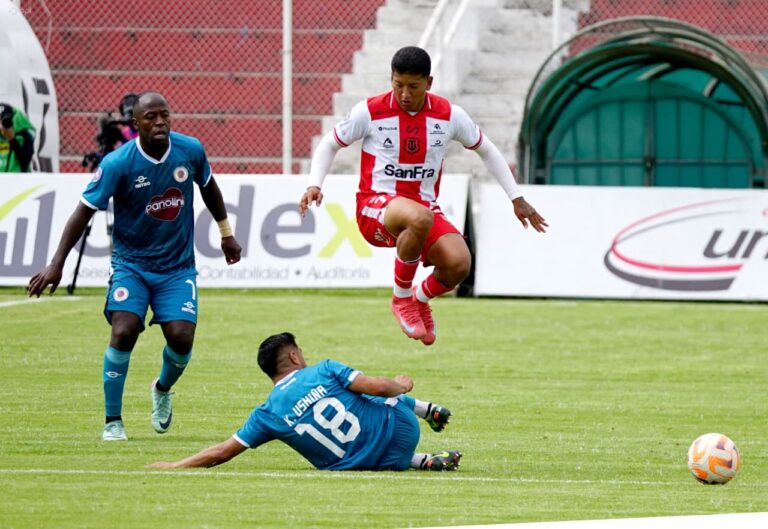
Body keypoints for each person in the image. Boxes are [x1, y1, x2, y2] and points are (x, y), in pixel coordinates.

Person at [27, 92, 242, 442]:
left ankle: (161, 388)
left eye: (165, 116)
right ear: (135, 124)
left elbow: (209, 189)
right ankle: (113, 421)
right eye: (151, 117)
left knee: (182, 338)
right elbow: (83, 211)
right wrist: (56, 264)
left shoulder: (190, 150)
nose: (160, 122)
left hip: (177, 267)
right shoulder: (117, 163)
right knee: (124, 330)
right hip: (132, 266)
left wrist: (226, 235)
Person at [299, 46, 548, 347]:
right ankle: (401, 299)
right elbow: (329, 145)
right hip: (375, 207)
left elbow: (488, 151)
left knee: (459, 264)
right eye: (397, 84)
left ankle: (418, 298)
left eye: (413, 86)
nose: (404, 93)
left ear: (429, 83)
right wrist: (315, 183)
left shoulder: (449, 116)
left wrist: (516, 197)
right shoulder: (370, 111)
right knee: (419, 217)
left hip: (423, 210)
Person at [148, 332, 461, 471]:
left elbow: (222, 452)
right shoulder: (322, 370)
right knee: (364, 388)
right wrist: (400, 385)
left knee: (353, 405)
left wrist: (175, 465)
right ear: (294, 355)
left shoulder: (266, 414)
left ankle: (419, 461)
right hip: (402, 431)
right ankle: (426, 409)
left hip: (367, 465)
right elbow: (378, 388)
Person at [0, 102, 36, 173]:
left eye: (5, 120)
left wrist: (12, 139)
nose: (3, 124)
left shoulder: (24, 135)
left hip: (17, 180)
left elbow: (25, 161)